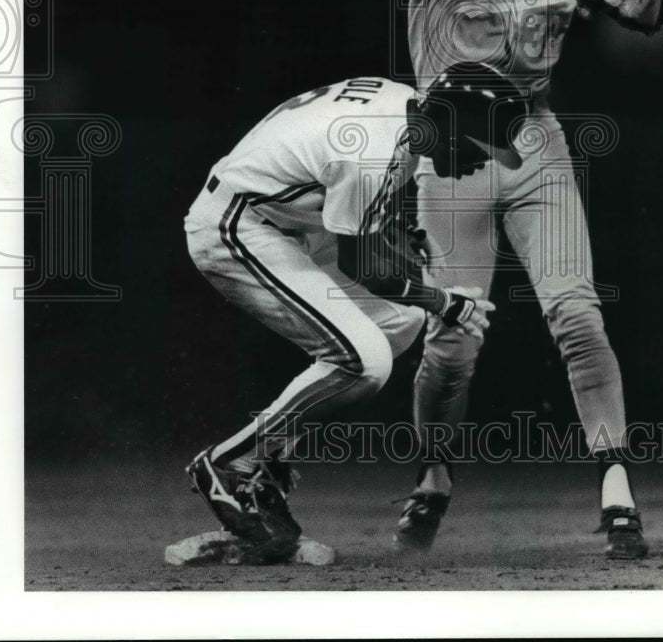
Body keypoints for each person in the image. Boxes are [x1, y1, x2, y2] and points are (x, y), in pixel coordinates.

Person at [395, 0, 663, 560]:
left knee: (577, 313)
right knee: (454, 339)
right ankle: (435, 475)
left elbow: (649, 9)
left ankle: (616, 490)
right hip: (454, 145)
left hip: (535, 134)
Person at [183, 64, 524, 563]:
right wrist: (447, 302)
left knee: (397, 325)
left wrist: (414, 260)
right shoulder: (372, 148)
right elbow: (364, 264)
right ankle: (230, 464)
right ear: (447, 124)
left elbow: (363, 223)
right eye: (478, 147)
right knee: (364, 361)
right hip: (238, 226)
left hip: (286, 221)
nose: (480, 163)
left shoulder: (403, 111)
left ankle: (265, 460)